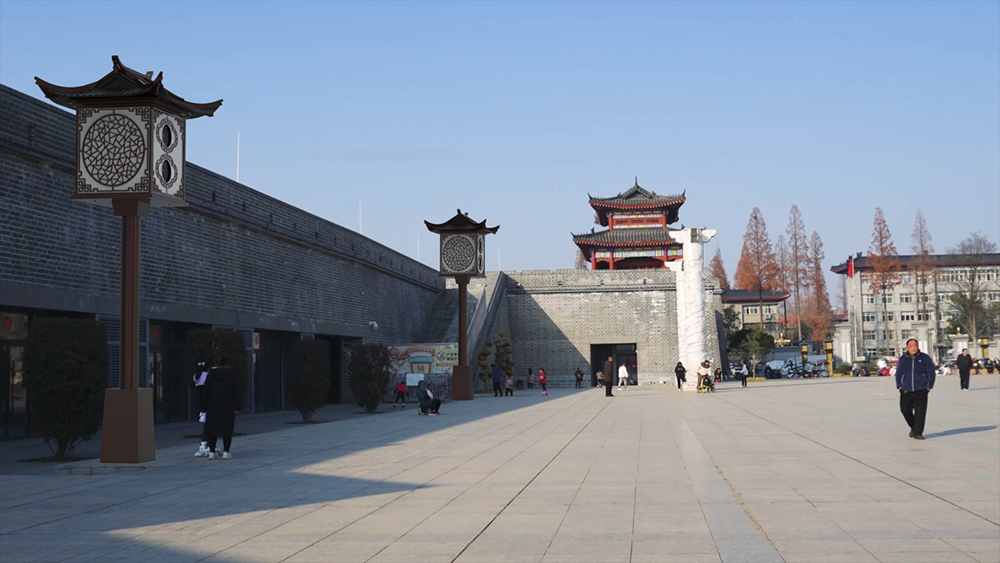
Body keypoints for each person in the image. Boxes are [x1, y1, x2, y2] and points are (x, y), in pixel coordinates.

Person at [203, 355, 243, 460]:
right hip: (228, 405)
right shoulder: (231, 374)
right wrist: (238, 406)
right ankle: (226, 451)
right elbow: (236, 391)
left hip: (212, 405)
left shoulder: (210, 375)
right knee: (227, 429)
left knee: (212, 429)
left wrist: (203, 407)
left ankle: (212, 452)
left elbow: (206, 391)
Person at [896, 338, 936, 440]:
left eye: (915, 346)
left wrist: (929, 385)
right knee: (905, 410)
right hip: (906, 389)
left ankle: (918, 433)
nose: (913, 348)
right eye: (911, 346)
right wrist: (899, 385)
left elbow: (931, 372)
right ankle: (914, 427)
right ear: (907, 348)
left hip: (921, 389)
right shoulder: (903, 359)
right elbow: (899, 372)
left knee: (920, 412)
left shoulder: (925, 358)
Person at [193, 360, 211, 458]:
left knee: (206, 424)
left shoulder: (196, 376)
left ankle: (205, 444)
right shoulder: (207, 376)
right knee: (209, 424)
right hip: (207, 403)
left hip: (200, 404)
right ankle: (206, 444)